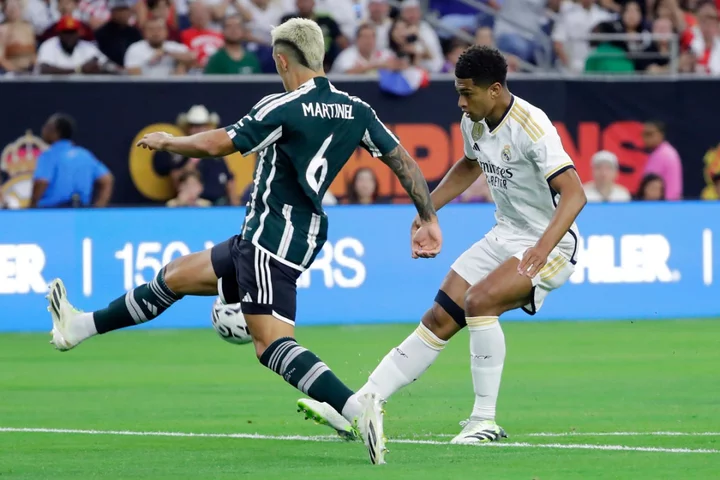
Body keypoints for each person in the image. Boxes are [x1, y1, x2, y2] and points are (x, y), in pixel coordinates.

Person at [45, 18, 441, 466]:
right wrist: (427, 216)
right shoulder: (356, 110)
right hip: (285, 233)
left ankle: (355, 407)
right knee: (176, 275)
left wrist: (172, 142)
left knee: (270, 345)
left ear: (280, 59)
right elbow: (402, 160)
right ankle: (78, 327)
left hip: (270, 238)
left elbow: (221, 143)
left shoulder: (284, 106)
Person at [298, 45, 587, 445]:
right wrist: (428, 208)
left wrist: (540, 250)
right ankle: (363, 403)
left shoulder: (532, 126)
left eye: (467, 93)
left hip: (550, 245)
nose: (460, 101)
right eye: (458, 91)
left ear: (496, 89)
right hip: (504, 235)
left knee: (479, 303)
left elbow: (575, 195)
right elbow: (470, 164)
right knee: (438, 317)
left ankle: (484, 421)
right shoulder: (476, 121)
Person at [31, 113, 115, 208]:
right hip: (80, 213)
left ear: (56, 132)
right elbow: (107, 180)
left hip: (52, 214)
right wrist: (97, 209)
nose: (43, 130)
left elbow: (41, 182)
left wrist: (32, 207)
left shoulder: (49, 156)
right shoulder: (85, 155)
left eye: (47, 127)